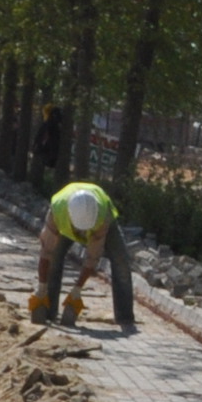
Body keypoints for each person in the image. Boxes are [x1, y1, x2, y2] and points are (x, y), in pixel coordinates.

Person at [33, 179, 132, 328]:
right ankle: (48, 309)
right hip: (64, 223)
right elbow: (46, 252)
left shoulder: (101, 218)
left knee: (121, 262)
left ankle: (125, 317)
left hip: (105, 220)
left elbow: (92, 258)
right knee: (54, 259)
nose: (82, 234)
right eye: (79, 229)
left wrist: (77, 290)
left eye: (85, 230)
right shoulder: (57, 211)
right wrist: (41, 288)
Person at [30, 103, 64, 190]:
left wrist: (37, 146)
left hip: (47, 151)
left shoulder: (48, 124)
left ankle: (39, 184)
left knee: (46, 164)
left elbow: (41, 135)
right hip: (53, 151)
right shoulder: (58, 124)